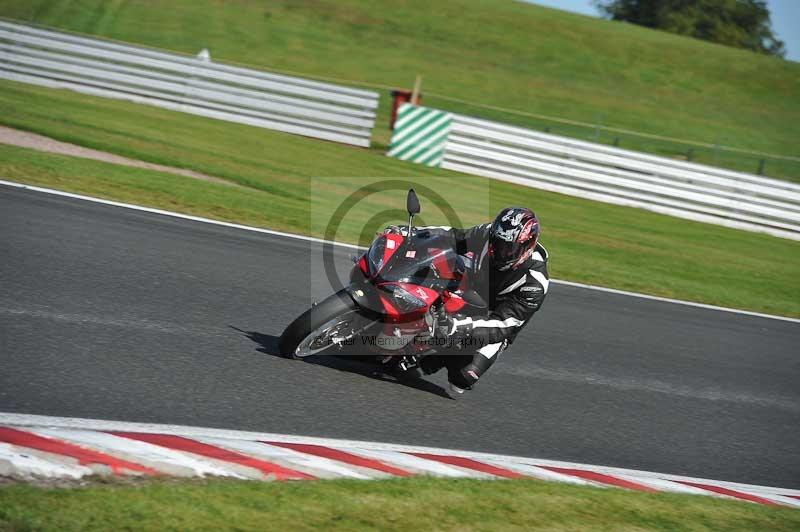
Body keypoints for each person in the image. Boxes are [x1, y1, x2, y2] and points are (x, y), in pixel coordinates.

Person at [393, 207, 549, 394]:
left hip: (494, 322)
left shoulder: (534, 284)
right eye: (497, 244)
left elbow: (503, 325)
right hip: (470, 292)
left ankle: (436, 356)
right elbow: (452, 236)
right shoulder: (486, 233)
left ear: (527, 247)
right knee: (440, 266)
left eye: (509, 249)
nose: (500, 252)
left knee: (462, 379)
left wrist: (458, 327)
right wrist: (410, 232)